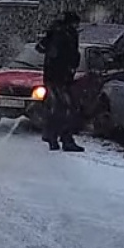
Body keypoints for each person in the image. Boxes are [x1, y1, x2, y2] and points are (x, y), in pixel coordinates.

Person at [35, 11, 84, 152]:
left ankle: (52, 136)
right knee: (66, 107)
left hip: (55, 76)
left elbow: (41, 47)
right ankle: (65, 139)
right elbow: (67, 55)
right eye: (76, 23)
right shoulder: (65, 35)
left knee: (57, 107)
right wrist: (67, 66)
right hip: (60, 77)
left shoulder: (55, 33)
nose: (77, 26)